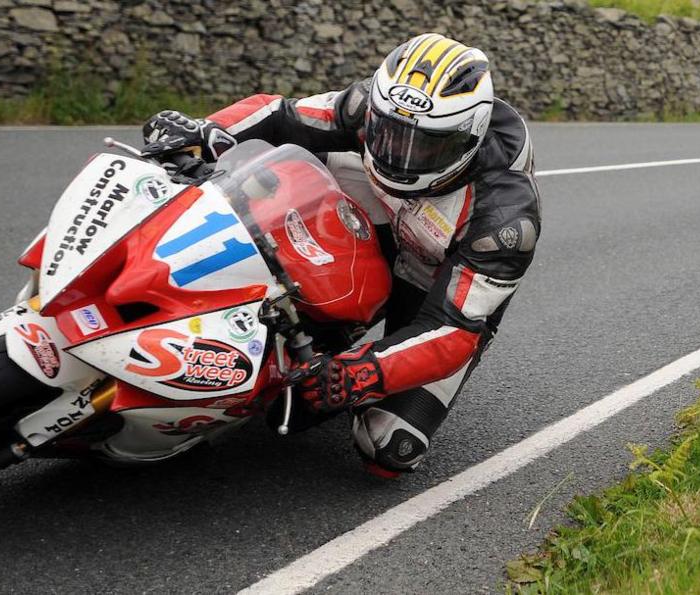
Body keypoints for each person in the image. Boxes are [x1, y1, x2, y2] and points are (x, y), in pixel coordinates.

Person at [140, 33, 540, 477]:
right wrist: (203, 132)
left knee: (388, 448)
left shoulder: (505, 220)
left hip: (435, 277)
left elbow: (452, 331)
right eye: (389, 134)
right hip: (377, 205)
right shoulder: (368, 103)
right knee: (279, 167)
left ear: (467, 140)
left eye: (424, 146)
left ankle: (344, 358)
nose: (398, 157)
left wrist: (361, 372)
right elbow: (280, 115)